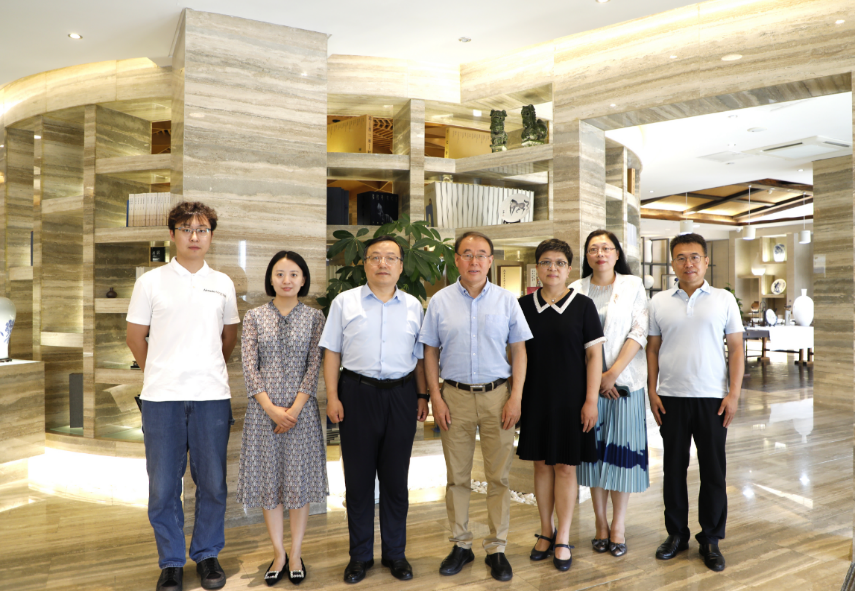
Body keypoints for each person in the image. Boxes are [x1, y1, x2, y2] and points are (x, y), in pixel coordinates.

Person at [126, 202, 239, 591]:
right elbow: (135, 338)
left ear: (211, 236)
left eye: (202, 229)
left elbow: (228, 339)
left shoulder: (223, 283)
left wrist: (204, 368)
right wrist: (160, 371)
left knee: (213, 483)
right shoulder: (150, 282)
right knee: (162, 487)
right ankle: (172, 561)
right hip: (162, 399)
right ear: (172, 234)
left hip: (211, 397)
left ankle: (207, 554)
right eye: (186, 229)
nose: (194, 236)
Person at [421, 231, 532, 583]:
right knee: (457, 477)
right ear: (456, 259)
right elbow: (430, 351)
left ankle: (497, 548)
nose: (474, 261)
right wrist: (435, 397)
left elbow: (519, 350)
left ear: (490, 261)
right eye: (467, 254)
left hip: (498, 396)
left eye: (481, 254)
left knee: (499, 477)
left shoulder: (506, 300)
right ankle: (461, 544)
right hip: (453, 397)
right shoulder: (439, 301)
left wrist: (516, 397)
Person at [319, 235, 429, 584]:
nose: (383, 263)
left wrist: (422, 396)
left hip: (401, 395)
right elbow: (332, 352)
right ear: (364, 264)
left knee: (396, 481)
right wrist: (332, 396)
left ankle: (395, 554)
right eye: (376, 257)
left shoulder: (413, 306)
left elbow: (420, 357)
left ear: (401, 266)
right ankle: (360, 556)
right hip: (357, 394)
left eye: (390, 257)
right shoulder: (344, 302)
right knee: (359, 481)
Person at [647, 233, 744, 572]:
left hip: (713, 398)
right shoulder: (659, 301)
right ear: (673, 262)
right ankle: (676, 534)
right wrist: (652, 390)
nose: (688, 263)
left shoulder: (723, 299)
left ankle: (711, 538)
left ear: (705, 261)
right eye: (681, 257)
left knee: (713, 471)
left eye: (694, 257)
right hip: (671, 397)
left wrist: (734, 393)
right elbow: (652, 349)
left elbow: (737, 349)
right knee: (673, 469)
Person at [236, 251, 327, 587]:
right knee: (269, 485)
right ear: (270, 279)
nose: (286, 280)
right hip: (263, 416)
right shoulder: (254, 317)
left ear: (303, 280)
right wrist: (272, 409)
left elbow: (314, 366)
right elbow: (249, 366)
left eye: (293, 274)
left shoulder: (315, 318)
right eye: (279, 274)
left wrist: (294, 409)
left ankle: (297, 553)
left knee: (297, 485)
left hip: (302, 415)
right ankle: (278, 553)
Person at [517, 238, 603, 572]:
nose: (552, 268)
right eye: (546, 262)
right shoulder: (523, 306)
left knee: (566, 467)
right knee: (540, 465)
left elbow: (594, 356)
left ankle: (564, 536)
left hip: (572, 399)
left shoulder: (583, 306)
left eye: (559, 263)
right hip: (535, 397)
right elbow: (517, 356)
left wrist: (591, 400)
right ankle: (546, 530)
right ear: (537, 268)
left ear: (569, 269)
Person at [573, 230, 650, 558]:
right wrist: (595, 381)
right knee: (593, 459)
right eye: (593, 249)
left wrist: (611, 375)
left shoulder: (633, 286)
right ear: (587, 256)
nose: (600, 253)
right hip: (586, 390)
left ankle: (618, 525)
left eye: (606, 248)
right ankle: (600, 523)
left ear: (617, 254)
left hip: (625, 385)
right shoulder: (575, 289)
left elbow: (639, 331)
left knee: (621, 459)